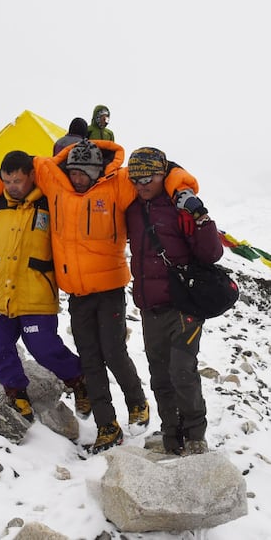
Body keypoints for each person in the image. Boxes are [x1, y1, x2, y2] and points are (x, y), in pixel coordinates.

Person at [0, 139, 200, 454]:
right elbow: (13, 164)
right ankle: (107, 425)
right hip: (77, 293)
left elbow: (165, 169)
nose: (78, 178)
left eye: (85, 172)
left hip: (109, 289)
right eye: (74, 171)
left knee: (113, 351)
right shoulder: (56, 182)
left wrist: (184, 190)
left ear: (98, 171)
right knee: (91, 360)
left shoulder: (117, 184)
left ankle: (137, 401)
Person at [0, 151, 91, 423]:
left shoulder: (50, 203)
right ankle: (17, 393)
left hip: (35, 294)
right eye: (6, 181)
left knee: (44, 348)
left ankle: (79, 381)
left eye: (17, 180)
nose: (12, 187)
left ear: (31, 175)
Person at [126, 147, 224, 455]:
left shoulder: (179, 204)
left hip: (184, 305)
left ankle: (195, 434)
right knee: (160, 375)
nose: (141, 185)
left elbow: (212, 253)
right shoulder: (130, 208)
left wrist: (199, 214)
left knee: (182, 370)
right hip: (149, 306)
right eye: (135, 178)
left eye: (148, 178)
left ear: (162, 175)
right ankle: (171, 433)